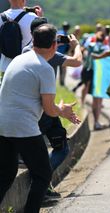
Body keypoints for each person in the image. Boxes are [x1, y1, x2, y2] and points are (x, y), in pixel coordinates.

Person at [0, 24, 80, 213]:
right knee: (43, 174)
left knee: (6, 175)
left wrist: (57, 109)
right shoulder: (44, 68)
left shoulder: (19, 59)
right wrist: (64, 110)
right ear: (54, 45)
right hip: (23, 127)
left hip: (3, 124)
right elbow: (50, 110)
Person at [22, 17, 83, 199]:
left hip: (30, 109)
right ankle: (42, 183)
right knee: (61, 147)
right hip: (47, 108)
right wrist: (76, 45)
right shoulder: (51, 54)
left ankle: (41, 182)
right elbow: (77, 62)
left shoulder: (25, 51)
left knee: (36, 148)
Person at [0, 0, 38, 86]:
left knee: (5, 97)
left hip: (5, 67)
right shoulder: (33, 17)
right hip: (26, 67)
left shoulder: (1, 17)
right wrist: (40, 18)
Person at [55, 21, 71, 86]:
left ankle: (57, 82)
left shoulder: (59, 33)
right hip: (62, 55)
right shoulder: (67, 35)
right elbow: (68, 45)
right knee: (63, 70)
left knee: (54, 68)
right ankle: (62, 82)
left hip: (55, 53)